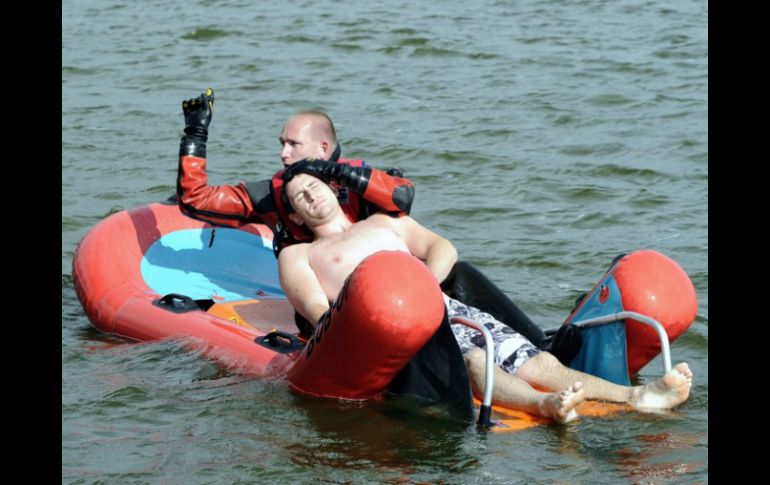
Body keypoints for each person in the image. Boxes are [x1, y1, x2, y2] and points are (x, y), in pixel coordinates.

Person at [277, 170, 694, 423]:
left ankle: (637, 396)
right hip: (383, 322)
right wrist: (383, 307)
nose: (313, 196)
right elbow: (318, 312)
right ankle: (542, 404)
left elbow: (445, 249)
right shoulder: (301, 254)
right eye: (301, 196)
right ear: (295, 215)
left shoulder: (387, 223)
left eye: (315, 186)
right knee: (476, 361)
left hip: (437, 304)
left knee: (538, 360)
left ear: (334, 189)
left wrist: (424, 282)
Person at [175, 88, 547, 344]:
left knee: (460, 271)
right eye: (281, 145)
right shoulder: (277, 193)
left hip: (400, 292)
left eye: (292, 144)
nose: (283, 154)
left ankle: (538, 342)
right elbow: (195, 200)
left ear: (323, 148)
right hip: (328, 308)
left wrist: (349, 177)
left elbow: (403, 197)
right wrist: (196, 134)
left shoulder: (363, 179)